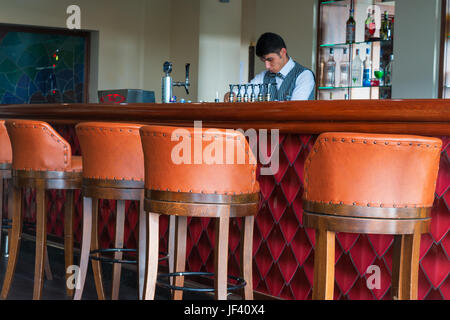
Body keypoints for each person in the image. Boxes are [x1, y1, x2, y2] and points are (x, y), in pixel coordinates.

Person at [225, 32, 315, 101]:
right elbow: (242, 92)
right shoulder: (263, 77)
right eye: (263, 61)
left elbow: (294, 110)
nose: (267, 66)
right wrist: (232, 95)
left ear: (283, 52)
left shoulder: (304, 76)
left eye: (270, 60)